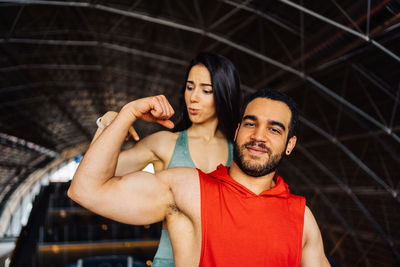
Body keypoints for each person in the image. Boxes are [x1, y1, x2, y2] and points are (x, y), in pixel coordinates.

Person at [69, 89, 331, 267]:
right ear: (238, 131)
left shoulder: (302, 218)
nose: (259, 136)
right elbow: (86, 190)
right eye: (251, 124)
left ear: (290, 144)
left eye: (274, 129)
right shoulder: (188, 188)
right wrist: (127, 114)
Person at [90, 52, 242, 266]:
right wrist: (108, 125)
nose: (193, 97)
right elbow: (93, 176)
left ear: (225, 94)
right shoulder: (164, 143)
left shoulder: (239, 152)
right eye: (190, 87)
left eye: (206, 90)